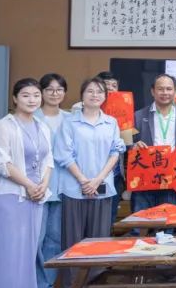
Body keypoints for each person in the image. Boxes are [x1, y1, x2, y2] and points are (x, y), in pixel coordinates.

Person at [0, 78, 53, 288]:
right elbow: (1, 163)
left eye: (36, 95)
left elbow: (48, 160)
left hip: (36, 198)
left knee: (28, 256)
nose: (32, 100)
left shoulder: (42, 126)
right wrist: (30, 185)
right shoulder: (2, 126)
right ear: (15, 98)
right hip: (10, 197)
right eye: (25, 95)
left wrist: (43, 185)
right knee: (8, 255)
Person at [54, 77, 126, 254]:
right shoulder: (69, 122)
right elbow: (63, 154)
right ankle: (72, 274)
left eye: (100, 92)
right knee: (73, 242)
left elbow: (115, 152)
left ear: (105, 96)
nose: (95, 95)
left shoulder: (111, 122)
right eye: (90, 91)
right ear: (82, 95)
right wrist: (84, 181)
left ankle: (95, 273)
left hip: (102, 188)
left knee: (98, 242)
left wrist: (97, 180)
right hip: (74, 189)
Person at [131, 74, 176, 213]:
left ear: (175, 91)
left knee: (168, 219)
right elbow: (126, 143)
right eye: (160, 89)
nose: (165, 93)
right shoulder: (138, 116)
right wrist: (133, 146)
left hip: (173, 176)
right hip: (144, 177)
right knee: (140, 219)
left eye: (169, 89)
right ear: (153, 91)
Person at [35, 73, 69, 288]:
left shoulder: (71, 118)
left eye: (59, 90)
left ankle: (47, 286)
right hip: (37, 187)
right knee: (36, 239)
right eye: (49, 89)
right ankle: (34, 285)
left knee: (55, 238)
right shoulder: (32, 116)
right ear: (42, 92)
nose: (54, 94)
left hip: (64, 185)